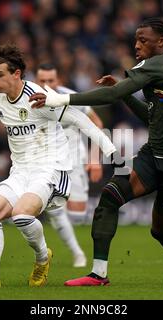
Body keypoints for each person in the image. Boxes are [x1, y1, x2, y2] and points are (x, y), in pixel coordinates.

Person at [30, 18, 163, 286]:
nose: (137, 45)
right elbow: (151, 117)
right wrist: (124, 93)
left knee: (161, 230)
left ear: (161, 42)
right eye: (136, 40)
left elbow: (110, 96)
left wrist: (60, 98)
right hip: (155, 154)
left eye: (143, 40)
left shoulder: (155, 65)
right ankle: (98, 274)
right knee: (110, 195)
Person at [0, 44, 117, 288]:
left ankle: (41, 258)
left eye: (0, 75)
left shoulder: (39, 98)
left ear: (16, 74)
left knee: (21, 214)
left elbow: (79, 118)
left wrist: (108, 148)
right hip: (20, 171)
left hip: (51, 168)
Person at [36, 63, 104, 268]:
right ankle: (77, 254)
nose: (47, 84)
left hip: (74, 162)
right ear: (36, 80)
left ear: (58, 81)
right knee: (55, 212)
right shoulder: (28, 99)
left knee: (77, 214)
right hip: (46, 163)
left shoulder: (71, 98)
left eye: (51, 80)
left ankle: (61, 211)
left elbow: (97, 123)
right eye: (42, 80)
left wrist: (94, 158)